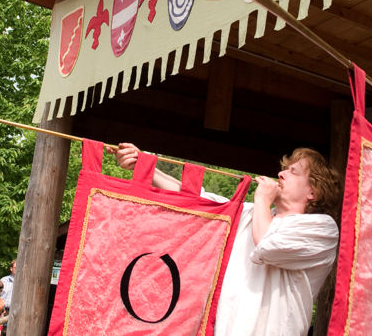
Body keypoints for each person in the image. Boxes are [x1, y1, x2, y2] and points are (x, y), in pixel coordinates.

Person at [108, 143, 342, 336]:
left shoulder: (322, 229)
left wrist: (262, 199)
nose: (280, 173)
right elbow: (197, 201)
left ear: (313, 192)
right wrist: (145, 165)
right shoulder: (251, 214)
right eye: (285, 168)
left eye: (293, 171)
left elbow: (268, 247)